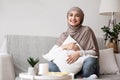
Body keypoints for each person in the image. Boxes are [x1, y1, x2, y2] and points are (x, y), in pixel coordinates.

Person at [49, 6, 99, 79]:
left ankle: (84, 77)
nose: (73, 18)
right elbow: (52, 53)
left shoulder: (86, 30)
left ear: (81, 18)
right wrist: (65, 46)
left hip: (83, 66)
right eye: (71, 15)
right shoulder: (63, 35)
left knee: (91, 61)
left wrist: (79, 53)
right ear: (67, 17)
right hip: (68, 66)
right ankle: (69, 76)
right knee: (51, 64)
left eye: (77, 16)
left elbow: (94, 52)